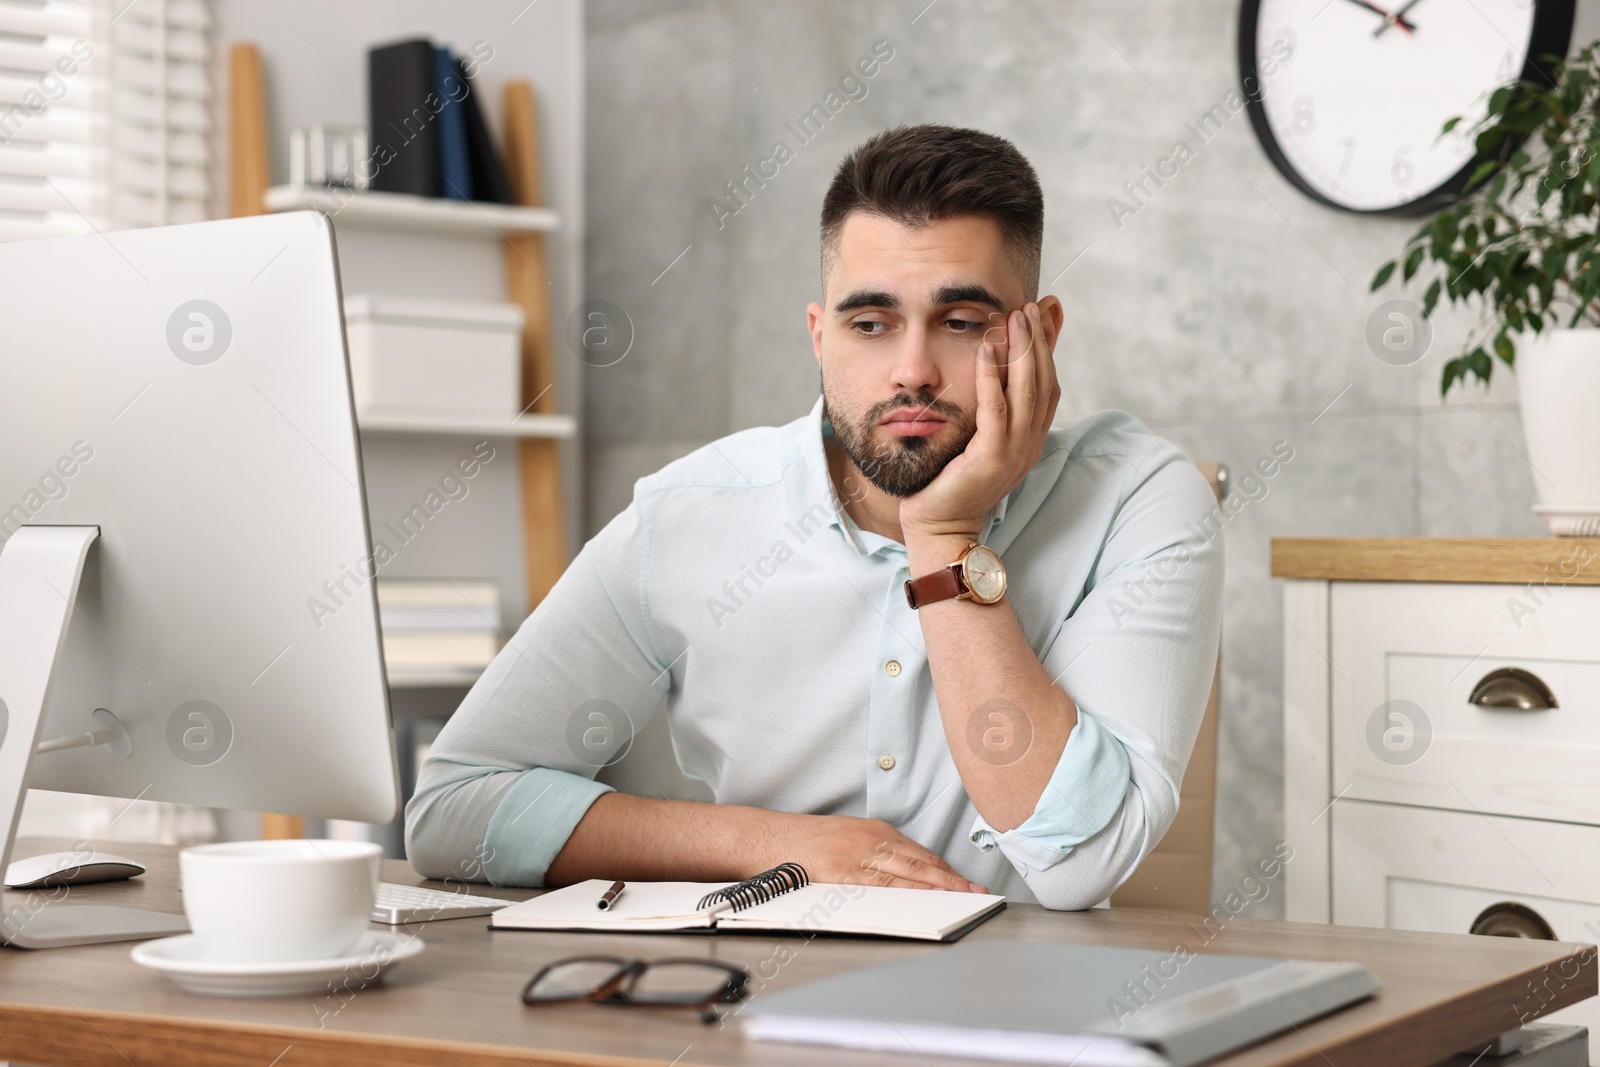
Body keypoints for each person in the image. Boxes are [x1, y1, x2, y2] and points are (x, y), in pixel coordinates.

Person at [405, 124, 1223, 909]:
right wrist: (773, 844)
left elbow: (1080, 862)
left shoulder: (1136, 499)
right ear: (819, 336)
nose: (911, 371)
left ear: (1038, 335)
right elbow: (453, 809)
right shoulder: (690, 515)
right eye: (870, 323)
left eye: (962, 322)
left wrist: (943, 540)